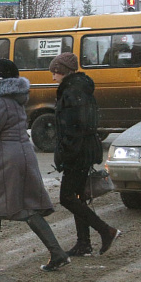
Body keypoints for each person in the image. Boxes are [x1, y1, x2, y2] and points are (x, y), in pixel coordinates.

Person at [0, 58, 70, 273]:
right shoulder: (13, 100)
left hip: (8, 159)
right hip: (20, 155)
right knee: (26, 206)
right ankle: (57, 253)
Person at [49, 52, 120, 257]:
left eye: (54, 72)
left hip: (77, 153)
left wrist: (65, 155)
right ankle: (83, 243)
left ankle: (106, 231)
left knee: (67, 198)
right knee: (78, 197)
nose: (53, 77)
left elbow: (72, 128)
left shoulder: (71, 92)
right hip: (85, 149)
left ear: (61, 71)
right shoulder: (81, 88)